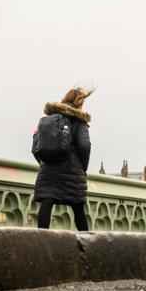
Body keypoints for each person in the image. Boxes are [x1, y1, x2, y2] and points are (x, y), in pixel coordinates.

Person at [33, 87, 93, 231]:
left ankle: (42, 243)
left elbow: (36, 146)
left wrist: (45, 162)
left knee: (47, 203)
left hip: (48, 171)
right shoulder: (79, 119)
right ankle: (86, 247)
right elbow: (84, 145)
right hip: (72, 170)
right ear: (78, 102)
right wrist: (83, 166)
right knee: (78, 209)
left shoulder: (48, 119)